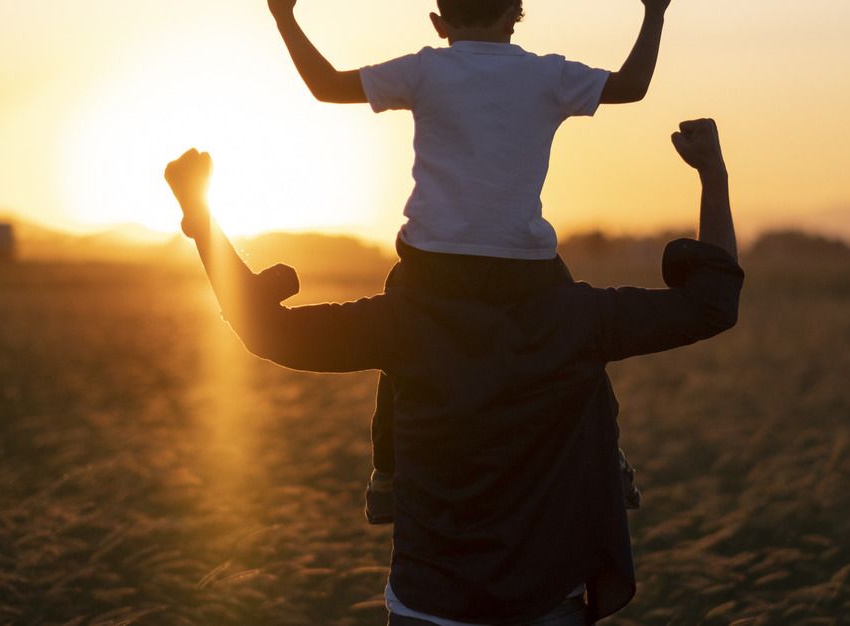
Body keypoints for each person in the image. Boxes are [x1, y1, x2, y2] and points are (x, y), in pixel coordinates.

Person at [164, 118, 743, 625]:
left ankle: (385, 476)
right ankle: (608, 465)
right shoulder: (579, 317)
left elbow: (269, 331)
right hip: (548, 606)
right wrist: (712, 174)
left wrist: (202, 215)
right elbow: (710, 304)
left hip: (428, 608)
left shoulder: (405, 319)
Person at [265, 0, 674, 521]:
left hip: (434, 263)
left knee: (397, 347)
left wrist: (285, 16)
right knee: (584, 347)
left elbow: (327, 85)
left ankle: (388, 472)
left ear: (438, 21)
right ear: (518, 13)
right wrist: (654, 10)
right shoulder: (547, 75)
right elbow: (632, 85)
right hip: (525, 266)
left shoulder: (426, 68)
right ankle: (609, 458)